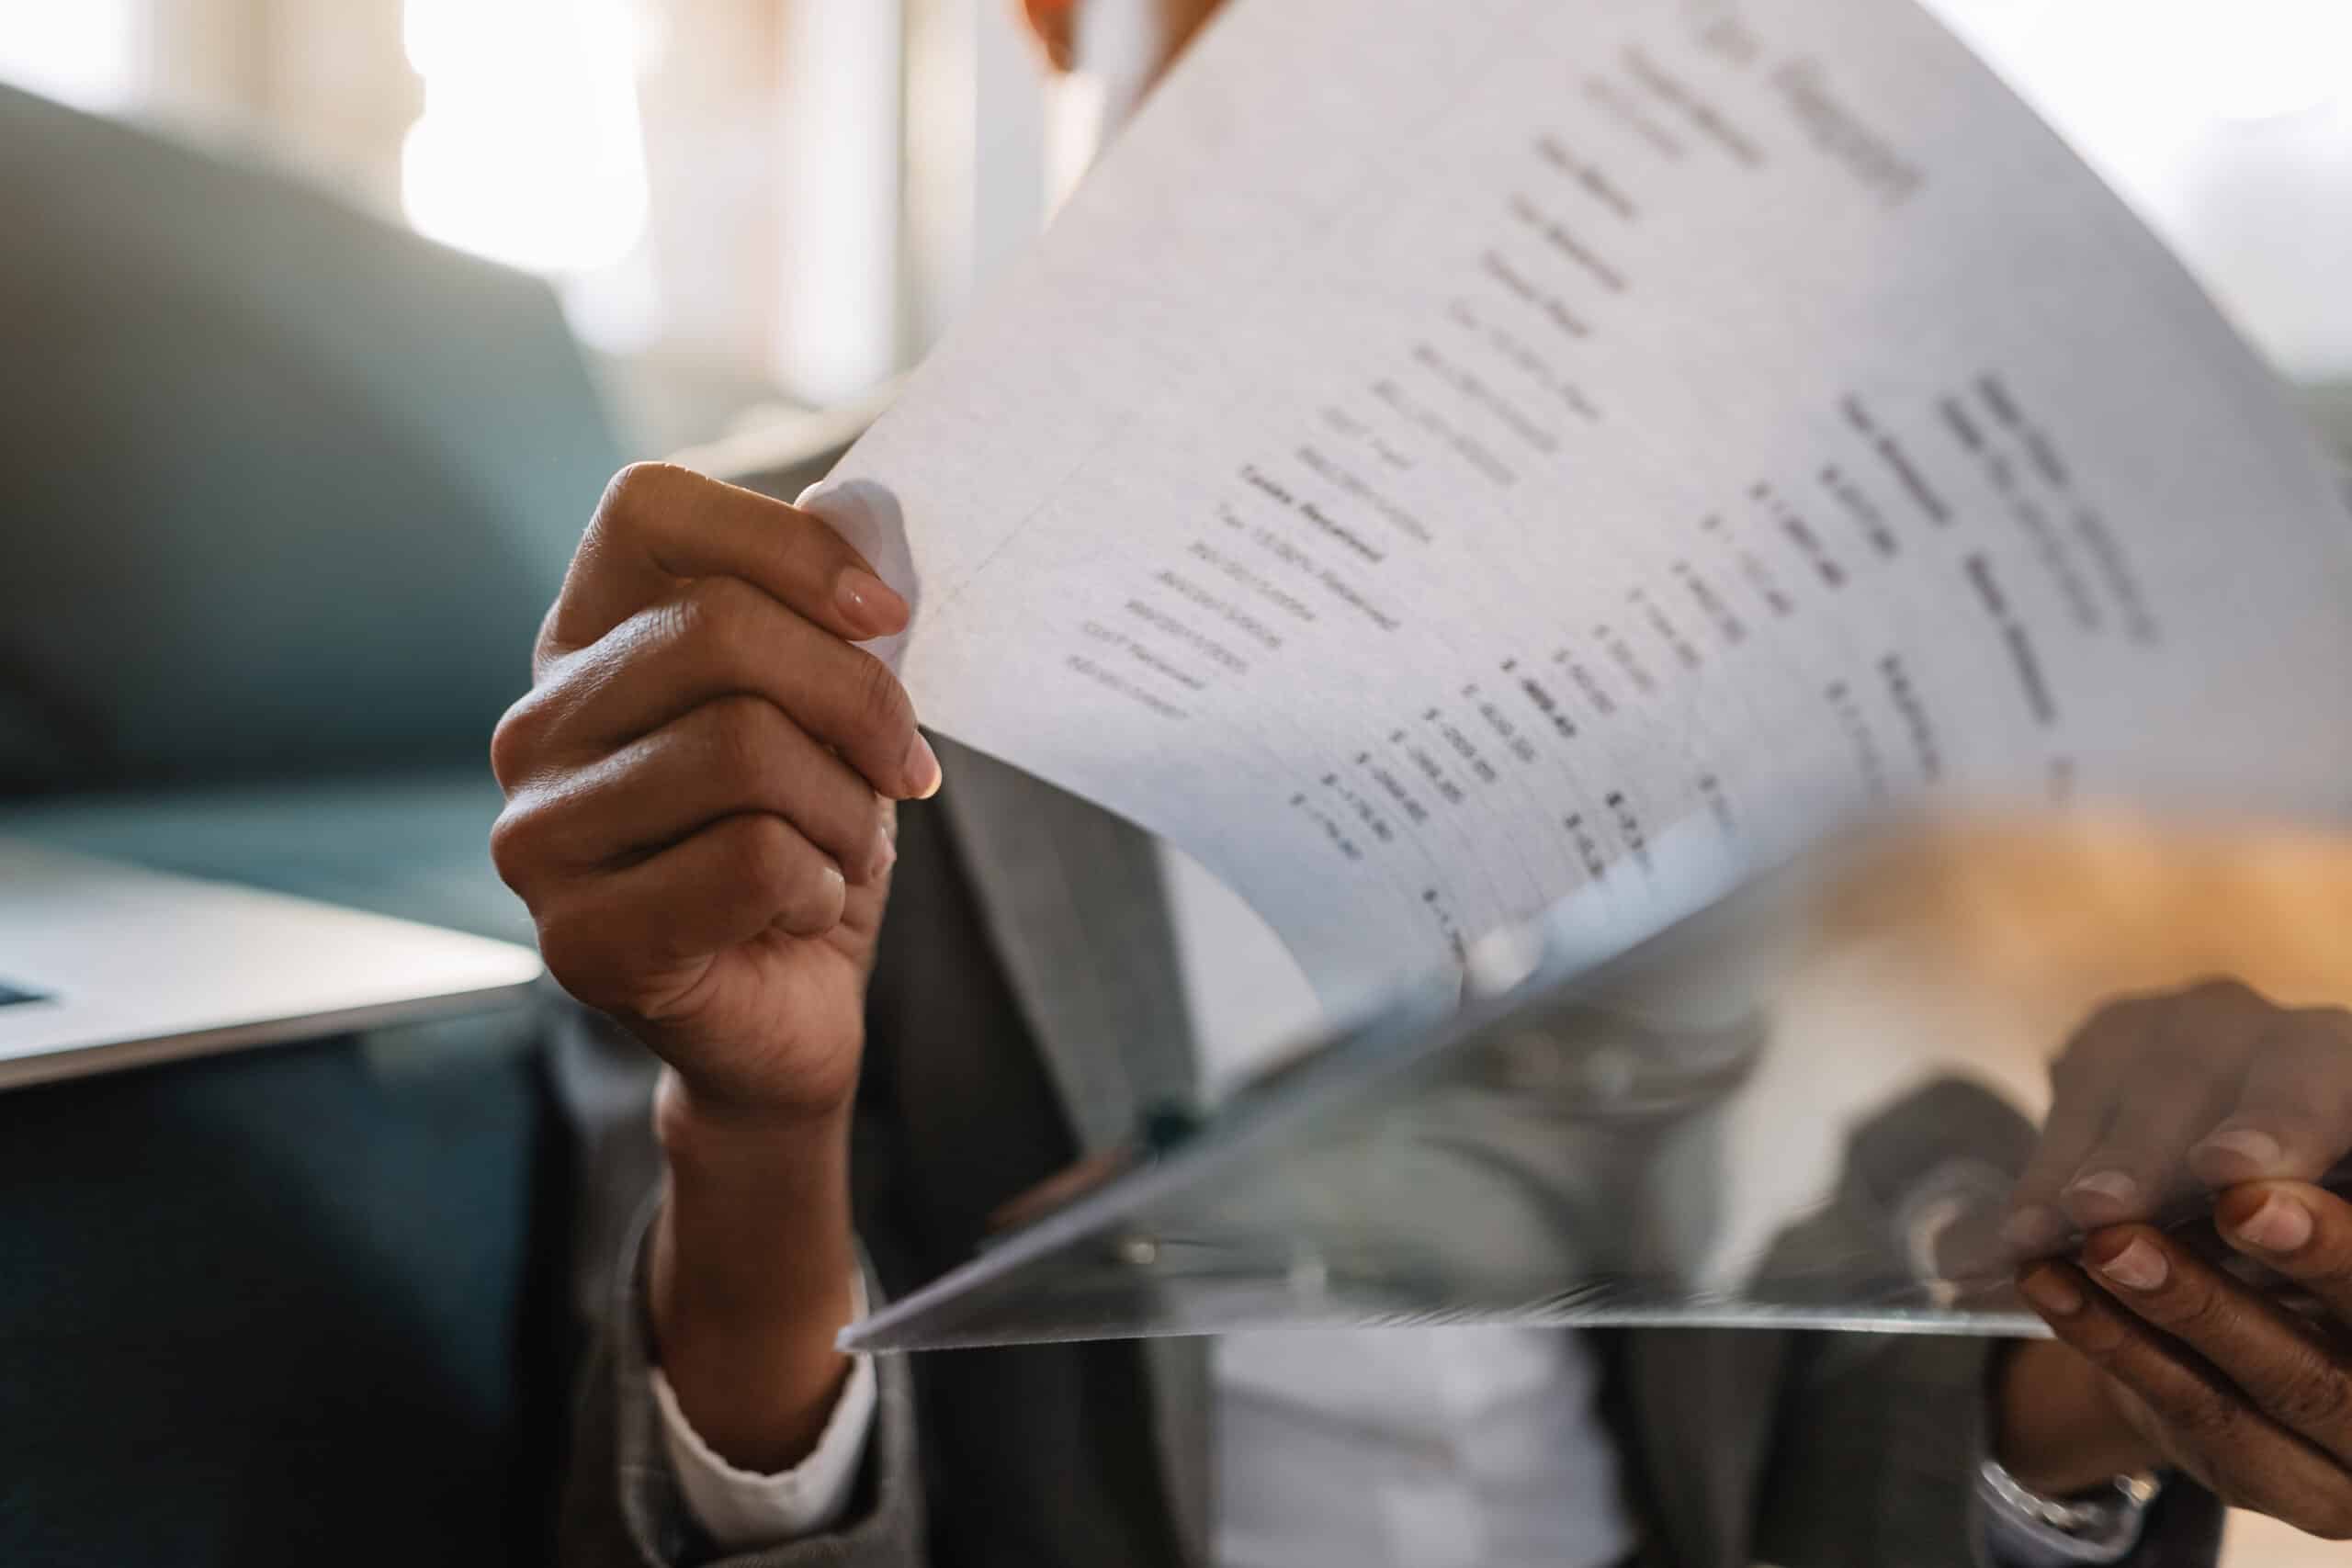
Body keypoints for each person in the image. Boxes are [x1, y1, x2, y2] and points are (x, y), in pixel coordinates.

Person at [489, 6, 2352, 1562]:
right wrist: (754, 1136)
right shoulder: (753, 619)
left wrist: (2125, 1373)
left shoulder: (1780, 564)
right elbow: (663, 1493)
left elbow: (1836, 1424)